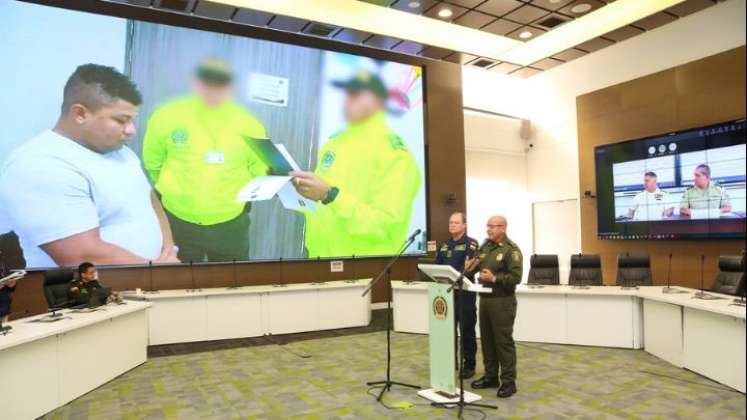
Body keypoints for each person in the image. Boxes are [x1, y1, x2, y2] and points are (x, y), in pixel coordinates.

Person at [0, 64, 178, 268]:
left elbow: (149, 199)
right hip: (90, 296)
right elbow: (81, 256)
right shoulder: (39, 165)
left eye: (132, 120)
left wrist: (169, 250)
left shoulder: (121, 151)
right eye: (121, 120)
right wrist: (160, 271)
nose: (131, 131)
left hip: (150, 280)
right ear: (80, 114)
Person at [142, 58, 268, 262]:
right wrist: (178, 194)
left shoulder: (250, 125)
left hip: (230, 224)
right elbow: (153, 163)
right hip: (176, 221)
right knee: (178, 285)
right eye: (207, 82)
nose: (213, 90)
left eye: (221, 84)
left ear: (232, 87)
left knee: (232, 285)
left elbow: (260, 171)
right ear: (195, 82)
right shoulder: (166, 116)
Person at [290, 71, 421, 257]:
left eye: (356, 95)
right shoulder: (333, 143)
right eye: (347, 94)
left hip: (364, 270)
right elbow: (322, 204)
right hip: (318, 260)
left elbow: (385, 227)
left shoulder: (395, 155)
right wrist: (298, 189)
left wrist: (331, 195)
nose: (347, 101)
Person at [468, 215, 522, 398]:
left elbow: (516, 278)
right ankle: (491, 376)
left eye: (493, 226)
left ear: (503, 228)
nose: (489, 229)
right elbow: (474, 266)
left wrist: (494, 278)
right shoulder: (486, 246)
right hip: (484, 299)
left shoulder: (511, 250)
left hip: (502, 301)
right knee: (487, 340)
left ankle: (509, 381)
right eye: (488, 226)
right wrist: (470, 266)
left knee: (503, 341)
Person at [434, 212, 480, 379]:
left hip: (464, 294)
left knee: (466, 330)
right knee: (447, 330)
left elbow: (470, 269)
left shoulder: (471, 244)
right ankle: (449, 360)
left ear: (464, 225)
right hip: (446, 294)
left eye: (456, 222)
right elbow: (438, 266)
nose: (452, 225)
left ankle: (469, 364)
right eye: (450, 222)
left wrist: (463, 272)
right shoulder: (444, 244)